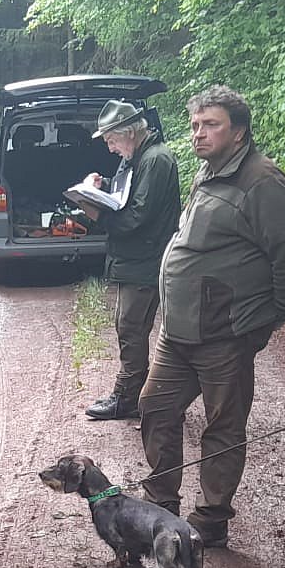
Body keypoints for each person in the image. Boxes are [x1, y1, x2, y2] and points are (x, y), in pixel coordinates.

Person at [138, 84, 285, 548]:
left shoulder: (262, 181)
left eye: (210, 124)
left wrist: (267, 320)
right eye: (195, 125)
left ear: (239, 132)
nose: (198, 133)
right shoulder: (208, 170)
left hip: (225, 333)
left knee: (223, 427)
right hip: (178, 331)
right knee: (155, 408)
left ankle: (210, 519)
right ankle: (160, 505)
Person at [79, 98, 184, 421]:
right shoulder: (139, 157)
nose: (110, 148)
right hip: (136, 259)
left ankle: (129, 398)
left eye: (112, 140)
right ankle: (142, 395)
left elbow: (139, 215)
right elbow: (130, 196)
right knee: (129, 326)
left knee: (131, 327)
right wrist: (103, 187)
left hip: (146, 260)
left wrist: (97, 213)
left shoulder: (155, 160)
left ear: (129, 132)